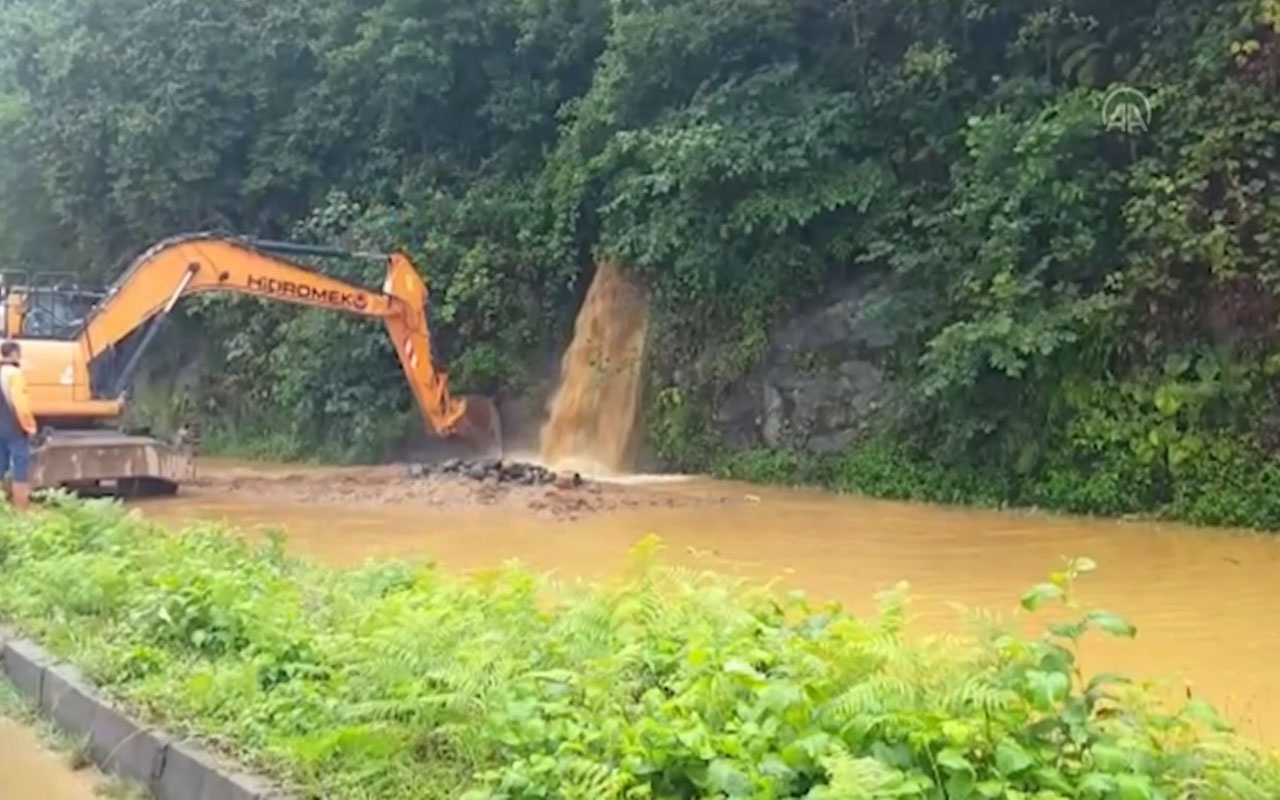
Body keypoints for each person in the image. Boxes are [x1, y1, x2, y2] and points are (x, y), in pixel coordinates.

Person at [0, 341, 37, 510]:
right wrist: (30, 427)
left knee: (1, 463)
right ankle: (20, 508)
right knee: (20, 463)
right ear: (14, 354)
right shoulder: (15, 375)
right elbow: (20, 404)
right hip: (13, 426)